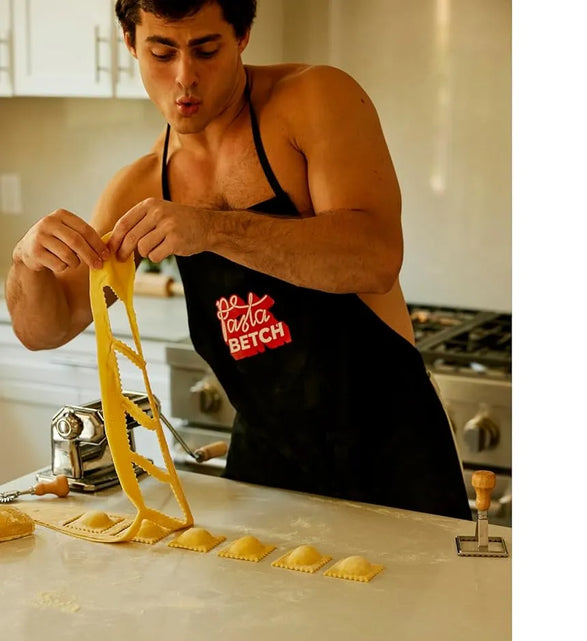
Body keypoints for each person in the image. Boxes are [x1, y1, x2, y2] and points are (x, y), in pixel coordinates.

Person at [3, 0, 471, 521]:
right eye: (162, 53)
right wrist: (26, 261)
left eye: (206, 50)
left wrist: (211, 229)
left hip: (395, 456)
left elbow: (375, 258)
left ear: (242, 35)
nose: (185, 77)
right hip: (265, 469)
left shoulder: (313, 100)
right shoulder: (140, 184)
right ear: (130, 43)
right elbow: (46, 328)